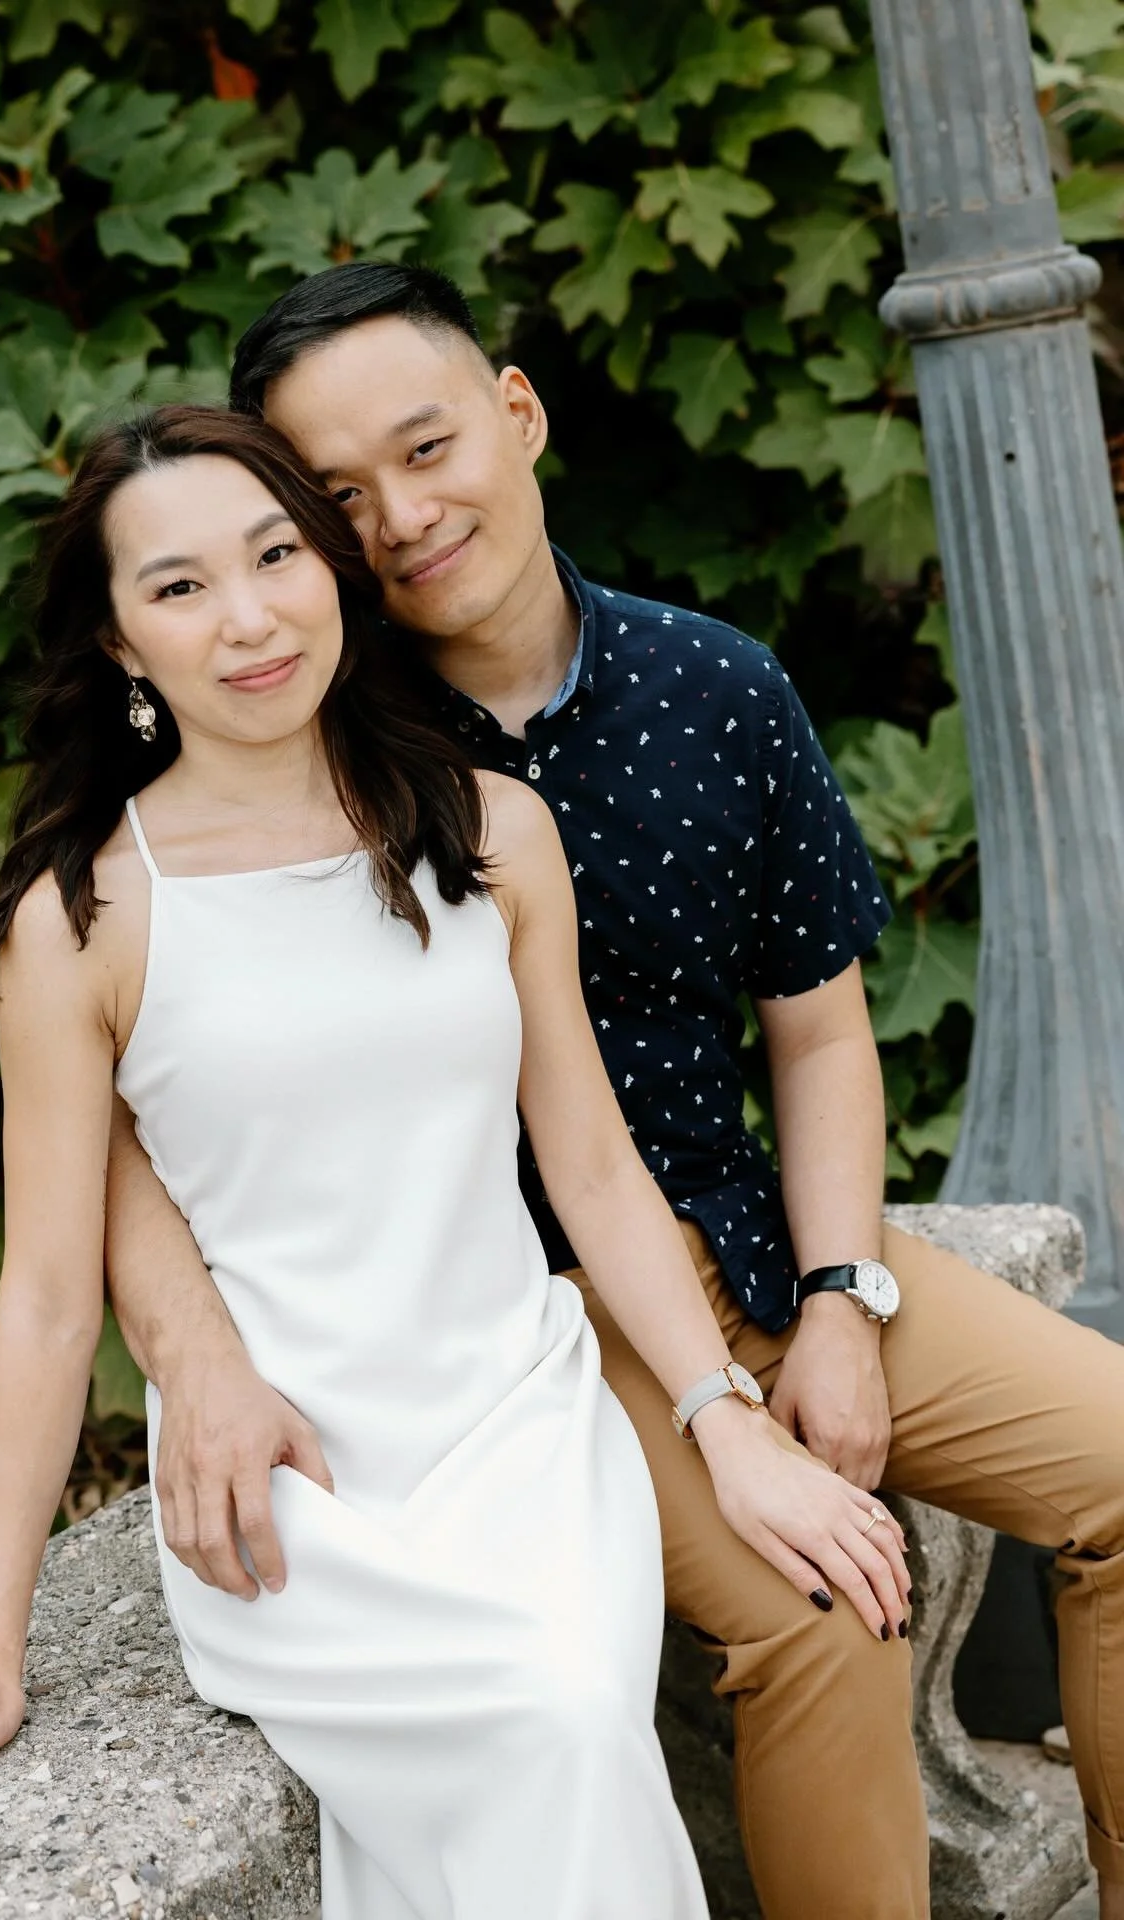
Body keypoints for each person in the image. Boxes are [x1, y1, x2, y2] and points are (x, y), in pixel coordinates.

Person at [100, 266, 1124, 1920]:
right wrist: (194, 1349)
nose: (404, 519)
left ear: (518, 412)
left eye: (430, 449)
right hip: (527, 1329)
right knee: (827, 1612)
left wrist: (848, 1295)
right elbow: (120, 1081)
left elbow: (819, 1029)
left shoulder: (714, 687)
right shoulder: (302, 744)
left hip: (752, 1237)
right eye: (339, 500)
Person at [0, 406, 908, 1918]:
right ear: (121, 645)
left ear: (333, 571)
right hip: (294, 1493)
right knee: (549, 1726)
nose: (248, 618)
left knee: (578, 1711)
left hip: (524, 1428)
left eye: (275, 558)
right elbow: (51, 1302)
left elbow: (587, 1163)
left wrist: (727, 1421)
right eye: (179, 588)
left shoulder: (494, 833)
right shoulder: (83, 924)